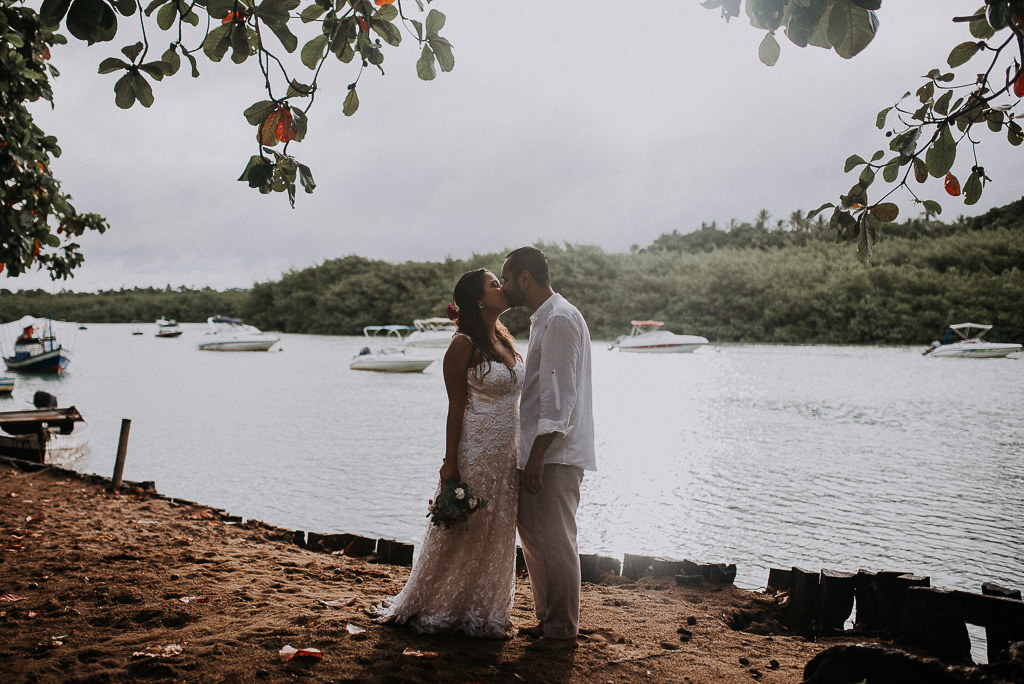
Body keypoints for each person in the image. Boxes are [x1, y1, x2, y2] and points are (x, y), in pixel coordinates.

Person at [371, 269, 524, 637]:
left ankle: (482, 608)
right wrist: (450, 463)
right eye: (494, 285)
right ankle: (440, 605)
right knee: (465, 529)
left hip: (506, 456)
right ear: (479, 300)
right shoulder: (462, 345)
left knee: (497, 528)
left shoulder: (503, 337)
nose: (501, 289)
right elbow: (456, 407)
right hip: (476, 452)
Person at [500, 246, 596, 650]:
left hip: (554, 453)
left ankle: (561, 629)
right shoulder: (546, 317)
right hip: (540, 450)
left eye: (507, 279)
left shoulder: (559, 319)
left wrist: (538, 454)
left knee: (555, 540)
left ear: (525, 277)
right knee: (536, 537)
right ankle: (549, 618)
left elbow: (560, 397)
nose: (504, 288)